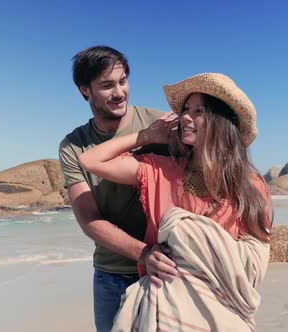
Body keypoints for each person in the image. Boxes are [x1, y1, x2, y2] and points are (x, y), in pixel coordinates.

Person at [78, 73, 272, 331]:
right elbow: (91, 161)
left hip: (218, 312)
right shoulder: (162, 170)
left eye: (199, 111)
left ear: (221, 121)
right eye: (185, 110)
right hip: (163, 310)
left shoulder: (249, 185)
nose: (186, 117)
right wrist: (146, 137)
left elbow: (253, 258)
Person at [58, 45, 178, 332]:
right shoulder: (73, 145)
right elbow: (89, 220)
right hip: (111, 276)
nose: (119, 92)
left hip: (168, 270)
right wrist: (143, 253)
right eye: (107, 85)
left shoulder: (161, 122)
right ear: (85, 90)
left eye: (123, 81)